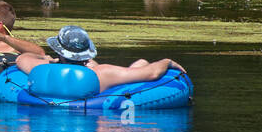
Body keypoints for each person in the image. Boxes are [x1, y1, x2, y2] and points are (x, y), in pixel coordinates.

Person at [14, 25, 186, 90]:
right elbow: (152, 74)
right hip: (94, 103)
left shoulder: (41, 69)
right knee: (141, 62)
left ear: (59, 52)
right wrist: (166, 61)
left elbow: (21, 59)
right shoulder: (101, 73)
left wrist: (48, 59)